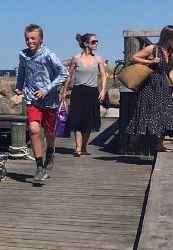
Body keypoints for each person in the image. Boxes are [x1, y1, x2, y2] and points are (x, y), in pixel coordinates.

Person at [15, 24, 68, 186]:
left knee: (50, 132)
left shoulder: (48, 55)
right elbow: (22, 72)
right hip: (33, 99)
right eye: (27, 38)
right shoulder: (23, 55)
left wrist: (46, 89)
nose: (29, 41)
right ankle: (39, 167)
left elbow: (64, 73)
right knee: (34, 130)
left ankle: (50, 151)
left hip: (50, 100)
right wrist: (19, 86)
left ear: (41, 39)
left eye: (33, 38)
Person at [125, 25, 173, 153]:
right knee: (146, 113)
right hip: (149, 85)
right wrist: (150, 62)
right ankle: (133, 141)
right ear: (170, 37)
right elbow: (133, 57)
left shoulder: (171, 52)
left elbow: (170, 71)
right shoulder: (153, 48)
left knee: (167, 114)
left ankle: (158, 146)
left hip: (163, 86)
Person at [62, 33, 107, 157]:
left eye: (97, 41)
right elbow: (69, 75)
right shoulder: (76, 58)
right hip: (78, 92)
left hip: (92, 92)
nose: (96, 43)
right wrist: (64, 90)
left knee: (89, 121)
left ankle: (83, 147)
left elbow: (103, 75)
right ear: (86, 43)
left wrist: (103, 90)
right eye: (93, 42)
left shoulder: (98, 58)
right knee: (77, 120)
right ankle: (78, 148)